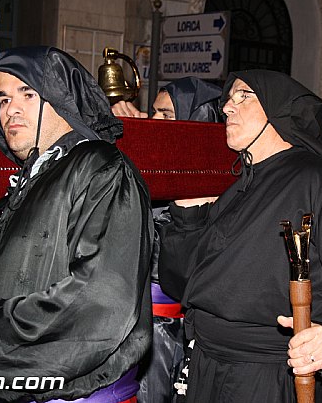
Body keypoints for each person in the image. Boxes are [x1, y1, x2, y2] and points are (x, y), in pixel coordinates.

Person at [0, 46, 153, 403]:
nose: (10, 109)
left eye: (27, 94)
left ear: (61, 98)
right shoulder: (23, 184)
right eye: (3, 98)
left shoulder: (100, 168)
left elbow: (98, 303)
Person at [158, 70, 322, 402]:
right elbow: (182, 284)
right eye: (228, 98)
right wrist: (187, 217)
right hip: (205, 364)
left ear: (277, 109)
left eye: (243, 97)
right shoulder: (234, 183)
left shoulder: (320, 181)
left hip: (268, 374)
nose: (227, 107)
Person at [113, 77, 223, 403]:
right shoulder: (162, 164)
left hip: (174, 325)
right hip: (142, 319)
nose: (156, 123)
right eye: (155, 113)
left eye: (167, 116)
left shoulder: (211, 179)